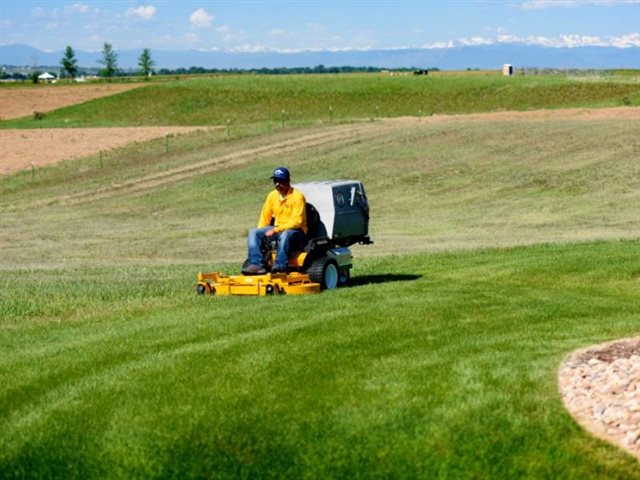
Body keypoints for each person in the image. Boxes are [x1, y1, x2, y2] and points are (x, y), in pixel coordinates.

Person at [242, 167, 307, 274]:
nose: (277, 184)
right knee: (254, 232)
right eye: (275, 181)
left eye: (280, 181)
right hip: (278, 229)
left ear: (288, 181)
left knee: (286, 234)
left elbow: (297, 221)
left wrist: (276, 230)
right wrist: (262, 234)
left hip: (297, 232)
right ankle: (256, 264)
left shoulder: (297, 197)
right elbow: (265, 217)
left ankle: (280, 265)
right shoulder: (272, 196)